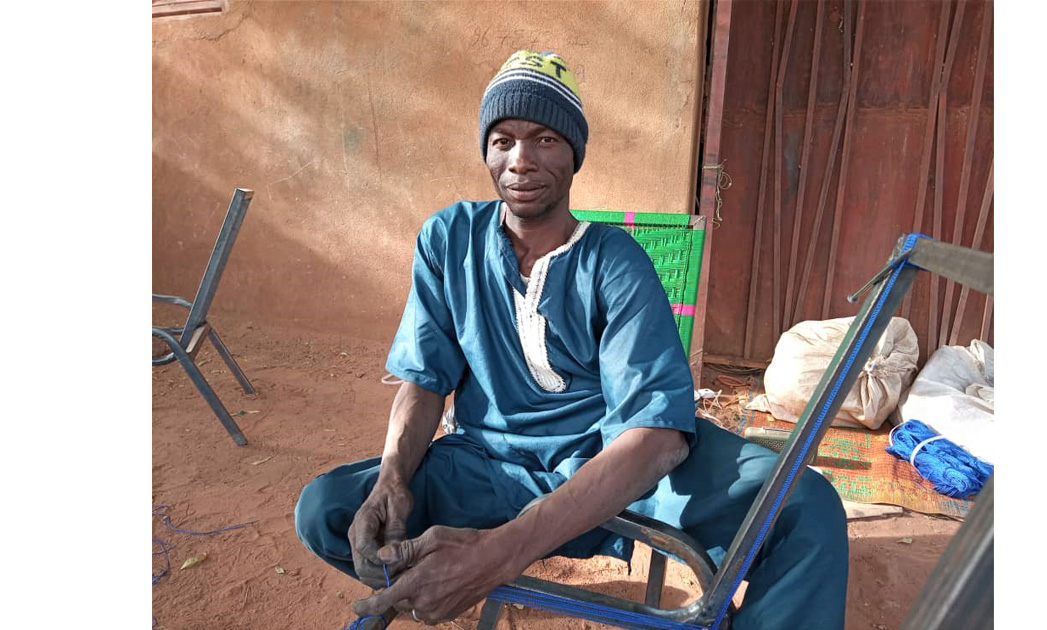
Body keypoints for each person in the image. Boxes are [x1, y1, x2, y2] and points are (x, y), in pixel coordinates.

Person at [295, 50, 848, 629]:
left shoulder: (614, 262)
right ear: (485, 149)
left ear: (575, 154)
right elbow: (423, 380)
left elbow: (656, 439)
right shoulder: (448, 238)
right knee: (329, 510)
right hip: (488, 465)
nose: (521, 160)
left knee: (803, 508)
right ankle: (437, 580)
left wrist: (497, 555)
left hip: (611, 470)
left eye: (546, 139)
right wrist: (392, 478)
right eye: (503, 139)